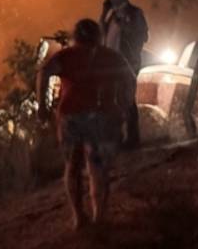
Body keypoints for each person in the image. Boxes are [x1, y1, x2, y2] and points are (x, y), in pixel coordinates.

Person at [37, 18, 134, 230]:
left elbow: (44, 72)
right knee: (97, 168)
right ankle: (99, 216)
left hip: (71, 117)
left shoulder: (67, 56)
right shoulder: (112, 57)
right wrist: (124, 104)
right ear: (99, 36)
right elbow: (129, 78)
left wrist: (42, 107)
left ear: (75, 36)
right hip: (103, 116)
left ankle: (79, 217)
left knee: (72, 166)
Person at [99, 0, 147, 150]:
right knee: (114, 99)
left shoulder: (134, 13)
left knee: (126, 98)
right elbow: (102, 33)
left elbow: (142, 36)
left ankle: (133, 139)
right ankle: (118, 138)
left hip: (127, 62)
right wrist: (104, 12)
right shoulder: (111, 13)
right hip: (111, 63)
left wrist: (123, 25)